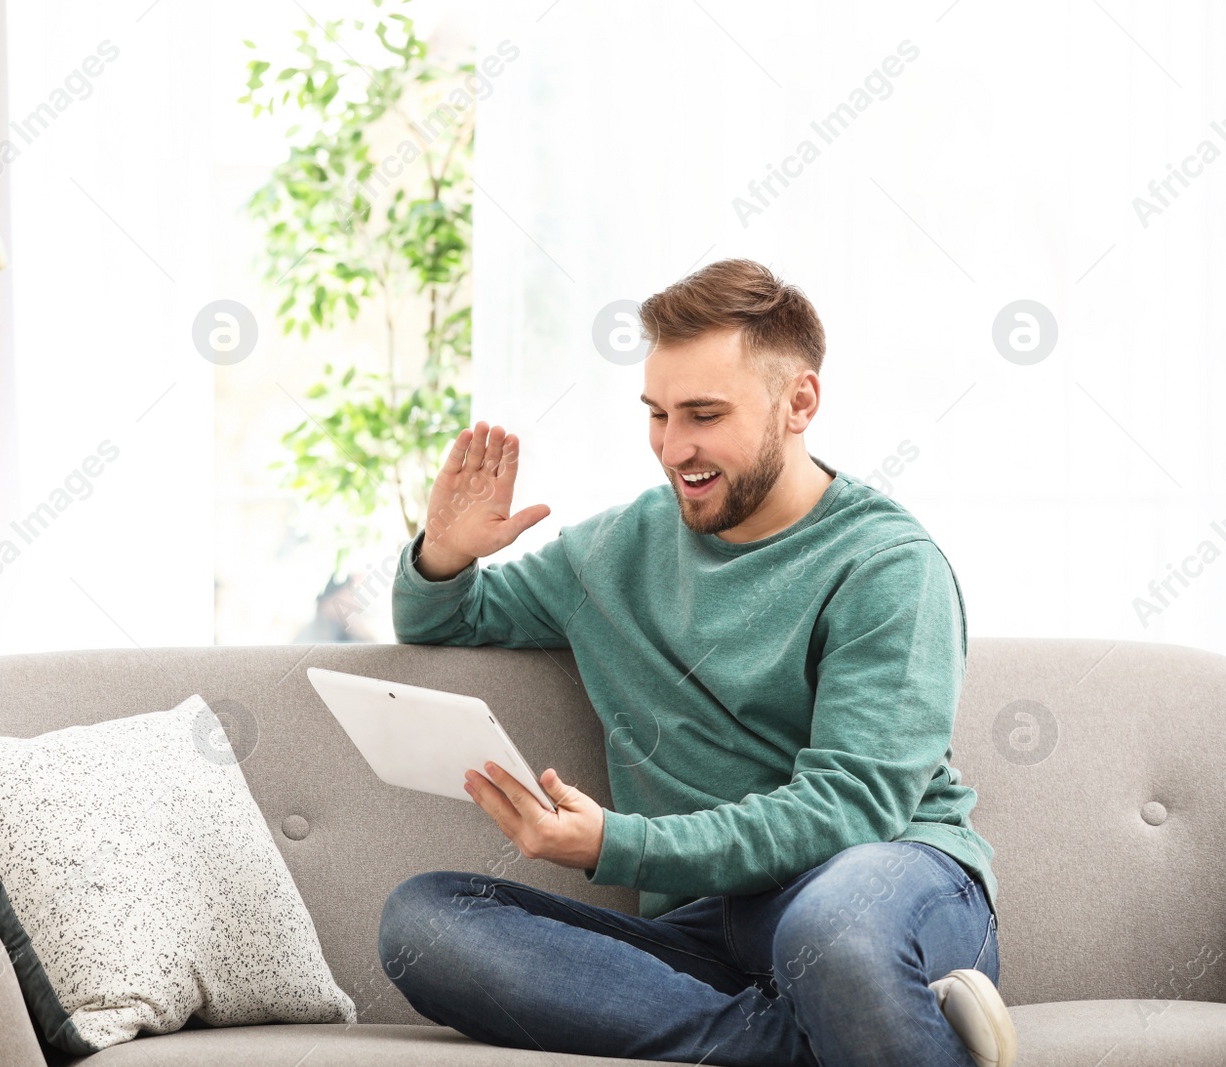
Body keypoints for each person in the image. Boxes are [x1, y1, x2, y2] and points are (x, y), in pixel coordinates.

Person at [379, 259, 1016, 1067]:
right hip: (707, 926)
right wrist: (445, 553)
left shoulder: (887, 564)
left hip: (881, 885)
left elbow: (850, 809)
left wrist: (619, 844)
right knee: (423, 922)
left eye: (704, 415)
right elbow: (450, 618)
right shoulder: (615, 549)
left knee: (834, 932)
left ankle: (850, 1002)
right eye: (658, 414)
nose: (675, 447)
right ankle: (830, 1032)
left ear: (799, 403)